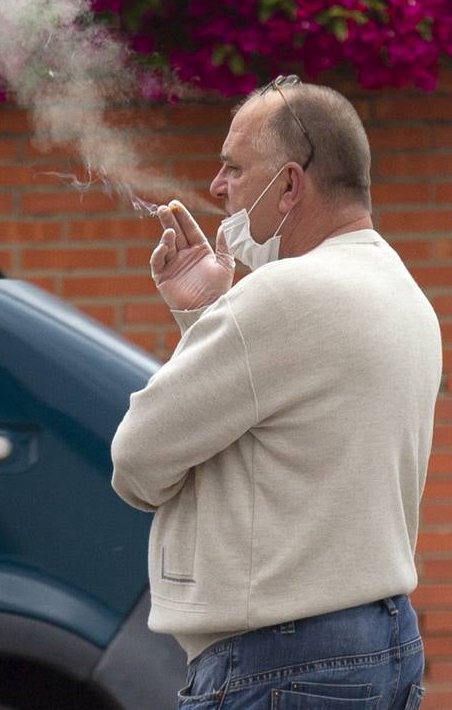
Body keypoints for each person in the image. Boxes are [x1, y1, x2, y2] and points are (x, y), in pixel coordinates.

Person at [110, 75, 442, 708]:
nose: (216, 186)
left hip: (282, 661)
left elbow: (137, 462)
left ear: (289, 184)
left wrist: (222, 312)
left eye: (234, 167)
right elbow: (277, 425)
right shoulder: (401, 291)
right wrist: (209, 313)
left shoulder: (281, 297)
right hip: (381, 644)